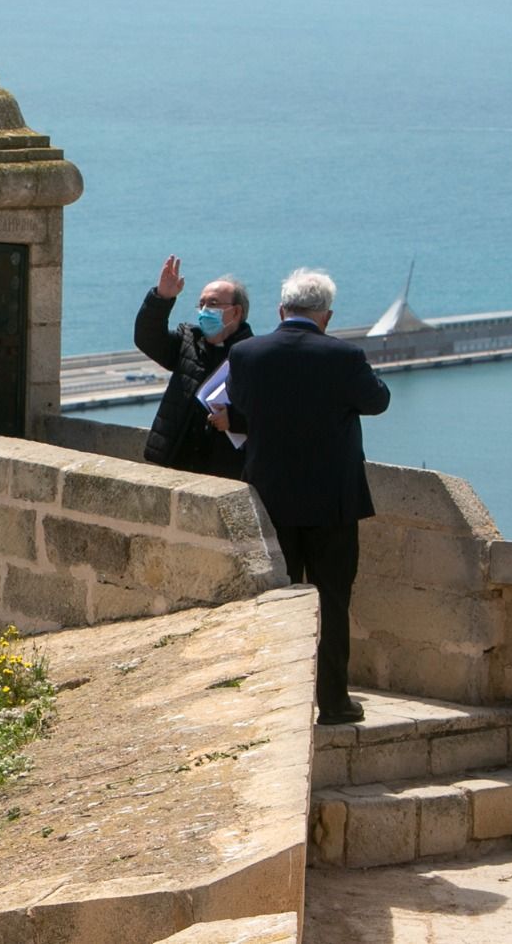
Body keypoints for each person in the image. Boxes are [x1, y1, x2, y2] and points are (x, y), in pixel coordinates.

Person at [227, 267, 391, 725]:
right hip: (331, 505)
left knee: (276, 601)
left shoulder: (246, 354)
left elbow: (238, 407)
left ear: (282, 310)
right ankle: (334, 703)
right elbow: (378, 401)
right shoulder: (345, 356)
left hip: (271, 500)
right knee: (332, 601)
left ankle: (274, 705)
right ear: (327, 316)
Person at [133, 255, 253, 479]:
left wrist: (235, 420)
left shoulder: (254, 354)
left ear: (236, 312)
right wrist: (161, 298)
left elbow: (271, 415)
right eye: (202, 303)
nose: (205, 310)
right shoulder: (187, 340)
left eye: (214, 304)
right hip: (176, 461)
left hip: (225, 469)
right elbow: (146, 338)